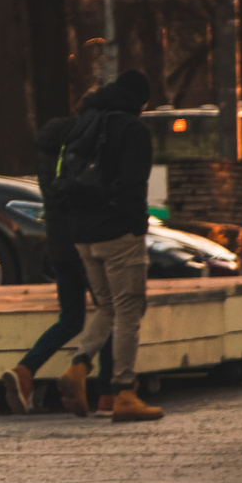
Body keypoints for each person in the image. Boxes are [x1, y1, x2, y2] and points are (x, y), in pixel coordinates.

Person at [53, 69, 161, 422]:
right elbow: (134, 186)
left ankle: (79, 368)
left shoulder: (85, 121)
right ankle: (125, 392)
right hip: (117, 234)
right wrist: (135, 227)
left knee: (107, 307)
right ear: (139, 100)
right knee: (130, 311)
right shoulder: (132, 130)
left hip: (82, 233)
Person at [1, 118, 112, 415]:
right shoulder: (81, 147)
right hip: (84, 241)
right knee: (109, 311)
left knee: (71, 318)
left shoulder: (48, 149)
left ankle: (25, 370)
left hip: (58, 244)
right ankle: (107, 394)